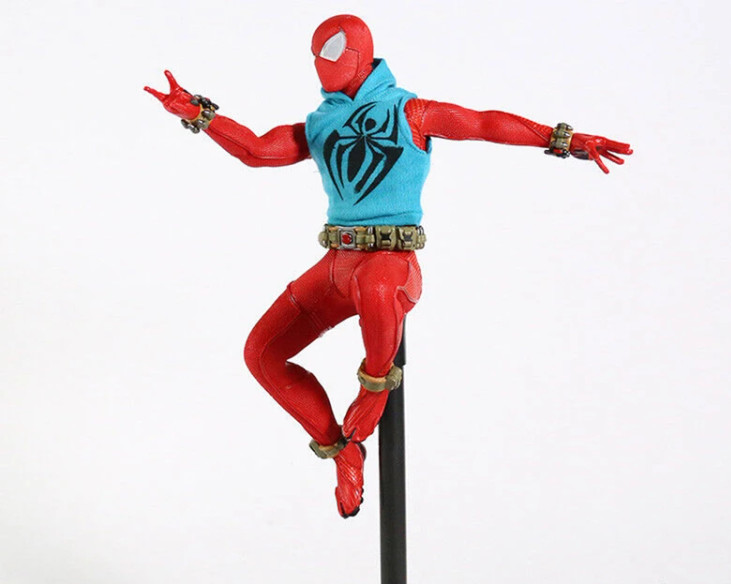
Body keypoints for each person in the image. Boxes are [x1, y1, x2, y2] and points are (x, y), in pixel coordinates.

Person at [146, 14, 632, 519]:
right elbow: (259, 150)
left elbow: (483, 123)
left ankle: (373, 389)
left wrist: (562, 138)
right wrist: (200, 115)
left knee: (378, 290)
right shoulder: (321, 122)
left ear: (359, 53)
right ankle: (342, 450)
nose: (321, 62)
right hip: (336, 263)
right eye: (315, 53)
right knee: (262, 353)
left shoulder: (409, 111)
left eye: (332, 50)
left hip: (391, 264)